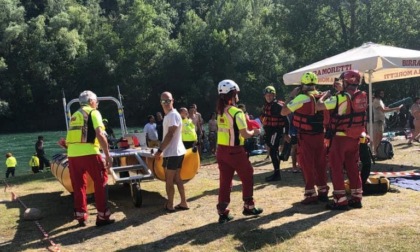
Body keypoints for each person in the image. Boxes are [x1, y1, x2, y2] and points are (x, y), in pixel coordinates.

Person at [316, 70, 368, 210]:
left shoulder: (339, 98)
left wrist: (324, 96)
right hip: (355, 138)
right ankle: (357, 197)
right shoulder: (361, 96)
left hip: (340, 138)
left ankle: (340, 200)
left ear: (346, 82)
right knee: (353, 167)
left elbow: (319, 106)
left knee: (336, 168)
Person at [215, 79, 263, 224]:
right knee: (248, 175)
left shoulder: (220, 111)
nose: (238, 97)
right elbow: (244, 134)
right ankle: (249, 205)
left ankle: (222, 211)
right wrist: (256, 132)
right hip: (235, 152)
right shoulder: (237, 112)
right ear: (233, 94)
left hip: (221, 151)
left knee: (225, 182)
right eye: (237, 94)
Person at [66, 90, 114, 227]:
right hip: (90, 152)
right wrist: (107, 155)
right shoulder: (94, 112)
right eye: (96, 101)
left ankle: (81, 216)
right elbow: (100, 133)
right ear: (92, 102)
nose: (97, 104)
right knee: (101, 182)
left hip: (73, 155)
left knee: (79, 185)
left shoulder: (75, 115)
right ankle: (103, 216)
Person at [281, 72, 329, 204]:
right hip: (320, 135)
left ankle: (310, 194)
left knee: (306, 165)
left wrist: (291, 96)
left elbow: (284, 111)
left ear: (302, 85)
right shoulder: (320, 96)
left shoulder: (301, 98)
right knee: (320, 164)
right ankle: (323, 191)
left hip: (306, 137)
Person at [154, 92, 189, 212]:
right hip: (176, 152)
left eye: (168, 100)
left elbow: (170, 134)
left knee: (169, 180)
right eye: (164, 101)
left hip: (173, 153)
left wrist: (160, 150)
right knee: (177, 178)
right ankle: (183, 202)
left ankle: (170, 204)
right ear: (160, 102)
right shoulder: (170, 115)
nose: (166, 103)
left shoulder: (172, 115)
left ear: (172, 101)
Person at [260, 85, 290, 182]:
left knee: (273, 151)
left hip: (276, 131)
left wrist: (286, 133)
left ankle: (277, 174)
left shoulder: (278, 105)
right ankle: (277, 171)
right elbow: (264, 118)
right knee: (273, 151)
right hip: (269, 131)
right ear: (264, 96)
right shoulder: (266, 106)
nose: (269, 97)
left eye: (271, 95)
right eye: (267, 95)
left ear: (274, 95)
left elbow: (286, 120)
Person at [372, 90, 403, 155]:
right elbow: (383, 110)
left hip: (381, 120)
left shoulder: (380, 101)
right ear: (378, 94)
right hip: (377, 121)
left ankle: (378, 149)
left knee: (380, 136)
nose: (383, 94)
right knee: (377, 136)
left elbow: (383, 108)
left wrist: (389, 108)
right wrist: (395, 108)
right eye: (381, 93)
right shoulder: (376, 101)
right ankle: (375, 150)